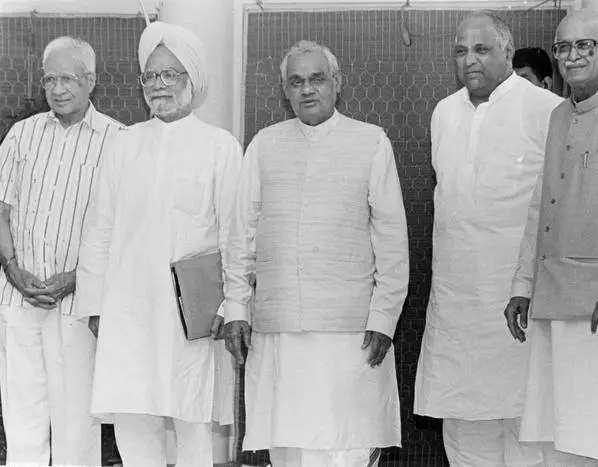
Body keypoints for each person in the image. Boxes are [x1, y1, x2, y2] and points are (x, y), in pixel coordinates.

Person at [223, 39, 409, 467]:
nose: (307, 90)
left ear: (336, 84)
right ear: (285, 92)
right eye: (296, 81)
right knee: (288, 450)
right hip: (279, 334)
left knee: (345, 447)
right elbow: (241, 237)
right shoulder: (264, 146)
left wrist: (384, 319)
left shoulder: (371, 142)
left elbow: (392, 244)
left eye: (317, 79)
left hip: (350, 335)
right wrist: (236, 307)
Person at [74, 21, 242, 466]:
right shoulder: (123, 146)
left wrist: (233, 308)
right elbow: (99, 232)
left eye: (171, 74)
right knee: (133, 424)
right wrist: (94, 305)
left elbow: (236, 237)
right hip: (128, 313)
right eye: (150, 76)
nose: (159, 85)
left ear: (192, 81)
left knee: (192, 425)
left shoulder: (220, 147)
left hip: (192, 318)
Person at [504, 10, 598, 467]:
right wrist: (522, 286)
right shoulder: (556, 118)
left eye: (585, 46)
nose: (572, 56)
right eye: (563, 47)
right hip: (558, 306)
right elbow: (540, 208)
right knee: (565, 441)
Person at [414, 10, 562, 466]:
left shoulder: (546, 109)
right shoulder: (444, 113)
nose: (469, 61)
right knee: (464, 434)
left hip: (520, 302)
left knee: (528, 436)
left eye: (481, 50)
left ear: (508, 52)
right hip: (457, 306)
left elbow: (554, 208)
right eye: (460, 51)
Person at [0, 36, 123, 466]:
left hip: (80, 305)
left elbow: (122, 231)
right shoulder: (22, 135)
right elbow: (1, 210)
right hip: (19, 300)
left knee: (76, 423)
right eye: (49, 79)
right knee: (22, 418)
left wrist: (74, 278)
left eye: (67, 78)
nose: (57, 89)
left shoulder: (118, 141)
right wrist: (13, 269)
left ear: (91, 80)